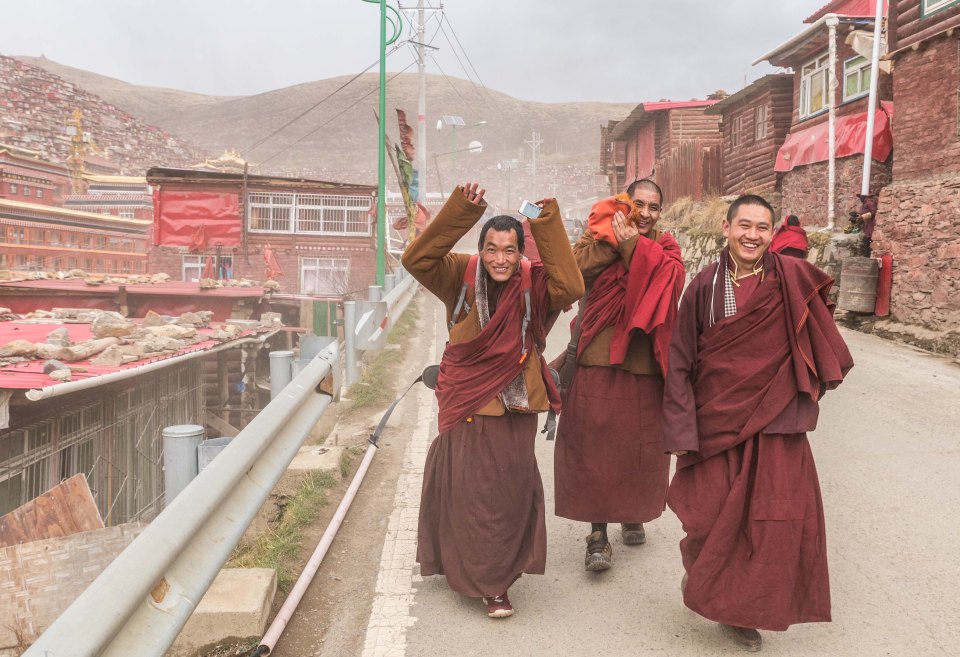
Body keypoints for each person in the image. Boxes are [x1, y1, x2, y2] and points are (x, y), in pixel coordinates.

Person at [662, 194, 854, 652]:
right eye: (743, 225)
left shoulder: (792, 280)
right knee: (708, 516)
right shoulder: (704, 288)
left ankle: (743, 610)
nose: (752, 234)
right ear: (725, 229)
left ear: (772, 234)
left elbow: (822, 343)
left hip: (776, 421)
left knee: (771, 522)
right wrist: (680, 429)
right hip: (716, 422)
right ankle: (711, 579)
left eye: (761, 227)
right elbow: (680, 360)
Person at [401, 182, 583, 619]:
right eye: (491, 248)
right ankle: (490, 584)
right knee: (470, 493)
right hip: (466, 402)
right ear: (480, 249)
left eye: (509, 249)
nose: (500, 258)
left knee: (507, 492)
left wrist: (547, 222)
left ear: (522, 252)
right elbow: (416, 259)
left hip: (515, 406)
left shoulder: (534, 283)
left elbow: (572, 286)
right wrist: (462, 210)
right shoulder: (459, 274)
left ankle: (498, 570)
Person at [553, 178, 685, 571]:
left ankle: (632, 512)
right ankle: (597, 535)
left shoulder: (666, 247)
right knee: (593, 450)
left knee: (639, 449)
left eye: (654, 207)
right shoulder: (596, 239)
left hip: (643, 365)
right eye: (638, 204)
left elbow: (670, 279)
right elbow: (574, 272)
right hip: (595, 360)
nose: (645, 214)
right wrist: (613, 240)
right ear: (624, 205)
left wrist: (632, 245)